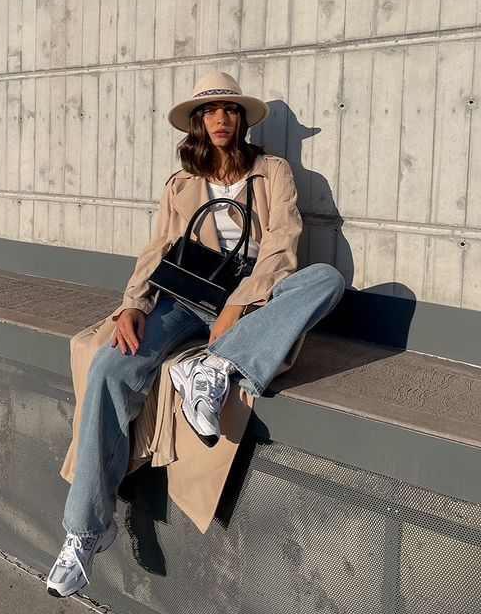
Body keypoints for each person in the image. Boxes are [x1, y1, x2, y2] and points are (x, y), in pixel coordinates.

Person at [46, 72, 345, 597]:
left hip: (253, 299)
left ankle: (213, 365)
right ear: (198, 123)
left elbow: (283, 245)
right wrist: (132, 305)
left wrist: (237, 304)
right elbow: (158, 247)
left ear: (242, 119)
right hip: (185, 298)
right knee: (110, 367)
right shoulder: (181, 184)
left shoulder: (272, 172)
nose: (222, 119)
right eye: (211, 112)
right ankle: (85, 531)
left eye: (230, 110)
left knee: (326, 279)